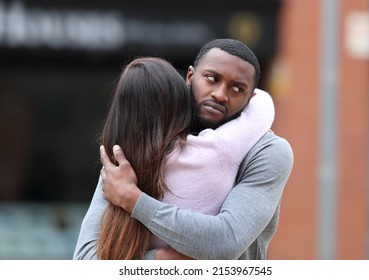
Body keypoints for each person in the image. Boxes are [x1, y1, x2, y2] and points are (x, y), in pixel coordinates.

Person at [73, 38, 293, 260]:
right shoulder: (146, 137)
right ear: (190, 76)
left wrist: (133, 200)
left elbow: (226, 241)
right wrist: (162, 260)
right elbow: (84, 259)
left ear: (250, 98)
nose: (220, 94)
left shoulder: (267, 152)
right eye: (211, 79)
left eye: (237, 89)